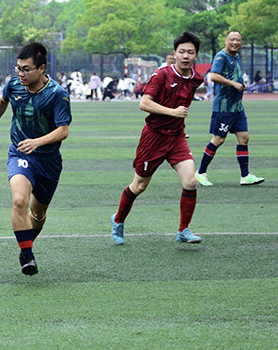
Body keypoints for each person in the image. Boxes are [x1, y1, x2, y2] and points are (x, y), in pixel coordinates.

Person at [0, 43, 72, 276]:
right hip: (20, 153)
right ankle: (27, 255)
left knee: (38, 213)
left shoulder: (57, 94)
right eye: (18, 68)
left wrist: (38, 142)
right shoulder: (14, 85)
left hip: (49, 161)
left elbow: (63, 130)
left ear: (41, 68)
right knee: (20, 200)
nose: (20, 74)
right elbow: (2, 102)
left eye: (26, 69)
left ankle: (26, 243)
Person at [110, 32, 204, 246]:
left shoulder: (196, 78)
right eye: (182, 52)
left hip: (177, 138)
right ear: (174, 54)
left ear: (196, 55)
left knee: (190, 182)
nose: (186, 56)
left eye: (190, 52)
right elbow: (144, 103)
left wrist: (178, 126)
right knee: (139, 186)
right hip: (153, 138)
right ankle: (118, 220)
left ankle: (183, 230)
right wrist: (172, 113)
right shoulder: (161, 75)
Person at [195, 30, 264, 187]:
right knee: (218, 139)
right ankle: (200, 172)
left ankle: (245, 176)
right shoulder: (221, 56)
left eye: (238, 40)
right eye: (232, 39)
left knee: (244, 138)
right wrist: (233, 84)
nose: (235, 42)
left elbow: (233, 76)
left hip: (237, 107)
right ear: (226, 41)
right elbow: (214, 76)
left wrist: (241, 84)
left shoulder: (236, 56)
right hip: (224, 107)